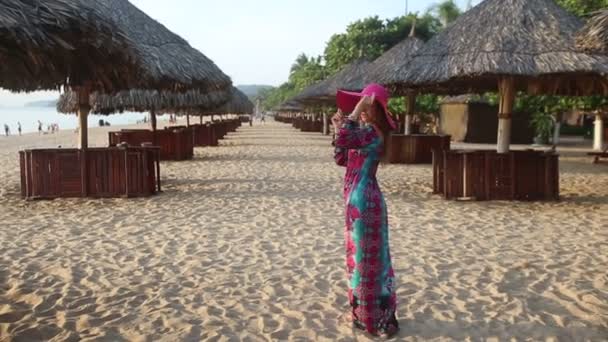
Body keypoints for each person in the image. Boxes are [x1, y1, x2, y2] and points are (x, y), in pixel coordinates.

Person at [332, 83, 399, 337]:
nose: (359, 109)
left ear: (374, 109)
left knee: (369, 262)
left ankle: (376, 318)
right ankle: (362, 315)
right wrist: (339, 125)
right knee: (358, 260)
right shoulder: (363, 132)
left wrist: (352, 114)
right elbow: (341, 157)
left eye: (364, 105)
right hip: (356, 202)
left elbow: (346, 139)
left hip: (366, 203)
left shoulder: (374, 132)